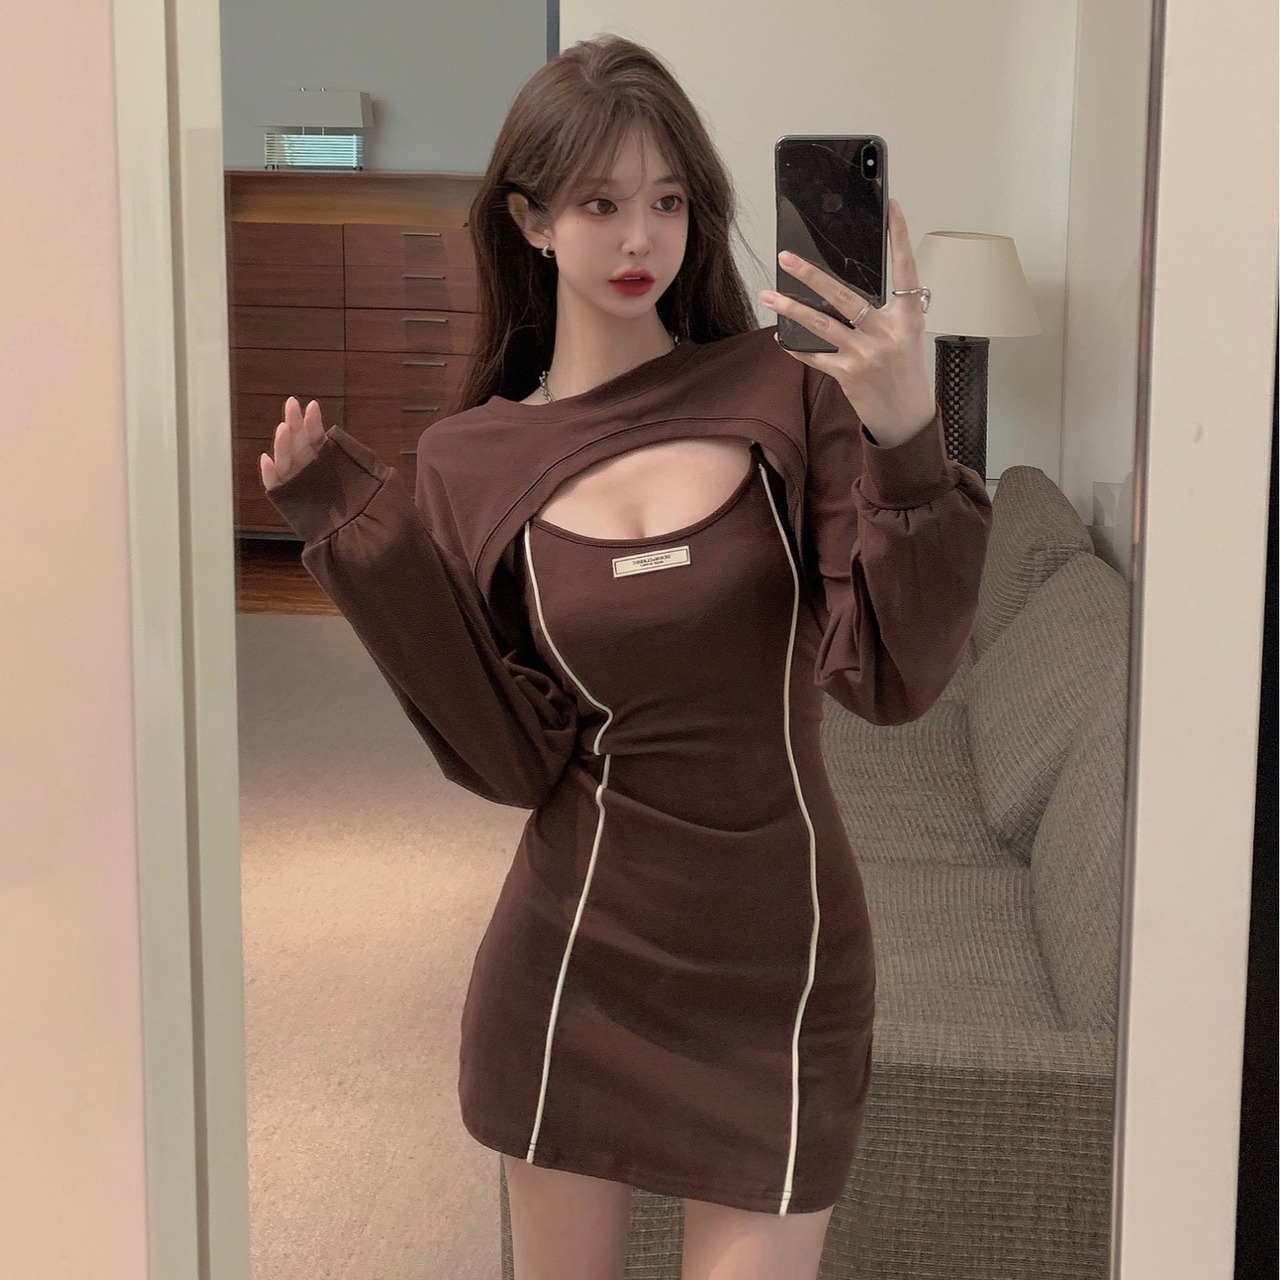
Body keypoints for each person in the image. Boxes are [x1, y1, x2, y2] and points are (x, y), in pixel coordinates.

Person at [259, 33, 991, 1280]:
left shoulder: (787, 390)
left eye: (666, 200)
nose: (639, 236)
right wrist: (357, 537)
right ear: (529, 221)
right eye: (598, 203)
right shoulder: (469, 458)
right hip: (570, 961)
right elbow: (508, 755)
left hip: (780, 963)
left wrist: (907, 431)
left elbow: (893, 677)